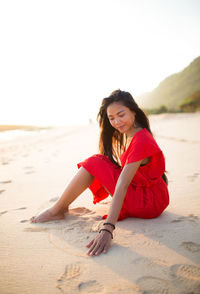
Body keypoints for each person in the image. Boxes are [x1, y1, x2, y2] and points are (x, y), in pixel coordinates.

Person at [31, 89, 169, 256]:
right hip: (152, 196)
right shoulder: (132, 133)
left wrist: (108, 229)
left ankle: (57, 210)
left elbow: (123, 184)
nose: (117, 122)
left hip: (149, 203)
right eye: (111, 118)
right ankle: (59, 208)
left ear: (133, 110)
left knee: (95, 162)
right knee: (99, 161)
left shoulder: (140, 139)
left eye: (121, 114)